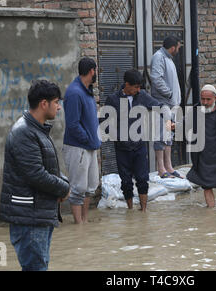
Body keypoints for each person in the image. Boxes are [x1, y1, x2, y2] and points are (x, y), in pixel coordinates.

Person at [0, 80, 70, 271]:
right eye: (56, 102)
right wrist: (64, 188)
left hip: (38, 214)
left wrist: (63, 182)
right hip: (29, 217)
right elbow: (35, 174)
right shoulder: (24, 132)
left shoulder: (36, 129)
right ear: (43, 104)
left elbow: (47, 167)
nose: (59, 107)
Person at [104, 69, 169, 211]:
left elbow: (159, 106)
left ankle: (144, 210)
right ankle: (130, 210)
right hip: (122, 148)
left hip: (139, 146)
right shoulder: (113, 100)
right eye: (136, 87)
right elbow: (104, 123)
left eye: (140, 87)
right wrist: (117, 135)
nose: (138, 90)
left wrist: (168, 116)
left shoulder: (142, 96)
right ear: (126, 84)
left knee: (142, 179)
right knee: (126, 182)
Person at [63, 57, 101, 224]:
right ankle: (79, 225)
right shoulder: (74, 92)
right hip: (78, 147)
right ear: (92, 71)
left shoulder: (87, 90)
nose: (96, 73)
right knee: (79, 188)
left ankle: (84, 221)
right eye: (96, 70)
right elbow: (72, 124)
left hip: (90, 146)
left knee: (90, 188)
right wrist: (87, 138)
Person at [150, 35, 183, 179]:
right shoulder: (159, 57)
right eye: (179, 47)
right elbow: (156, 79)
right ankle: (161, 169)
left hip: (171, 104)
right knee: (161, 135)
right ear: (173, 47)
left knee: (169, 135)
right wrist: (169, 94)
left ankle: (169, 167)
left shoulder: (169, 59)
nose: (179, 49)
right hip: (163, 103)